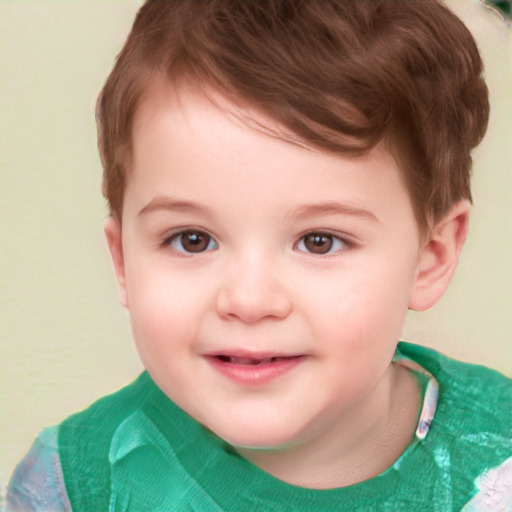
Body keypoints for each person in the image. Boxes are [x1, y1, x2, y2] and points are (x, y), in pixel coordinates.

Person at [5, 1, 511, 510]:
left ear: (430, 256)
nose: (248, 300)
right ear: (123, 262)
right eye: (192, 239)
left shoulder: (500, 460)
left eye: (320, 241)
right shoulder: (74, 485)